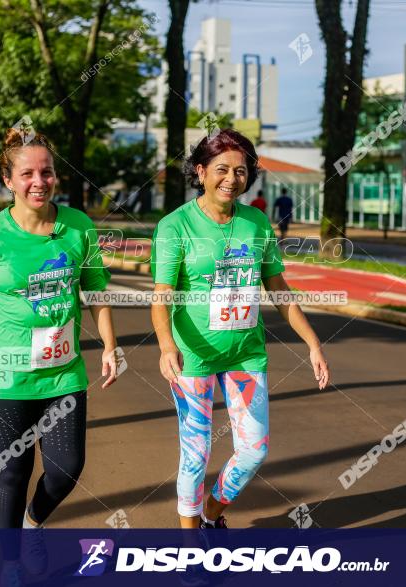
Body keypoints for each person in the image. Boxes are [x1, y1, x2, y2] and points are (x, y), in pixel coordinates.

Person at [0, 128, 120, 585]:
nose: (39, 181)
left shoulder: (78, 226)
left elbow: (96, 291)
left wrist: (110, 346)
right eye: (27, 174)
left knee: (65, 469)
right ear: (8, 180)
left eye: (47, 171)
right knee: (14, 470)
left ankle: (34, 523)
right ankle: (12, 563)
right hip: (1, 376)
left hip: (62, 374)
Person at [151, 128, 331, 531]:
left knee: (254, 450)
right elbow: (161, 296)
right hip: (192, 356)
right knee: (195, 454)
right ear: (200, 171)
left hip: (246, 354)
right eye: (221, 169)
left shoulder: (256, 224)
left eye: (241, 171)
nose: (232, 179)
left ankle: (212, 512)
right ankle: (190, 544)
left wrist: (313, 343)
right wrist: (166, 346)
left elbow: (278, 289)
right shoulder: (174, 226)